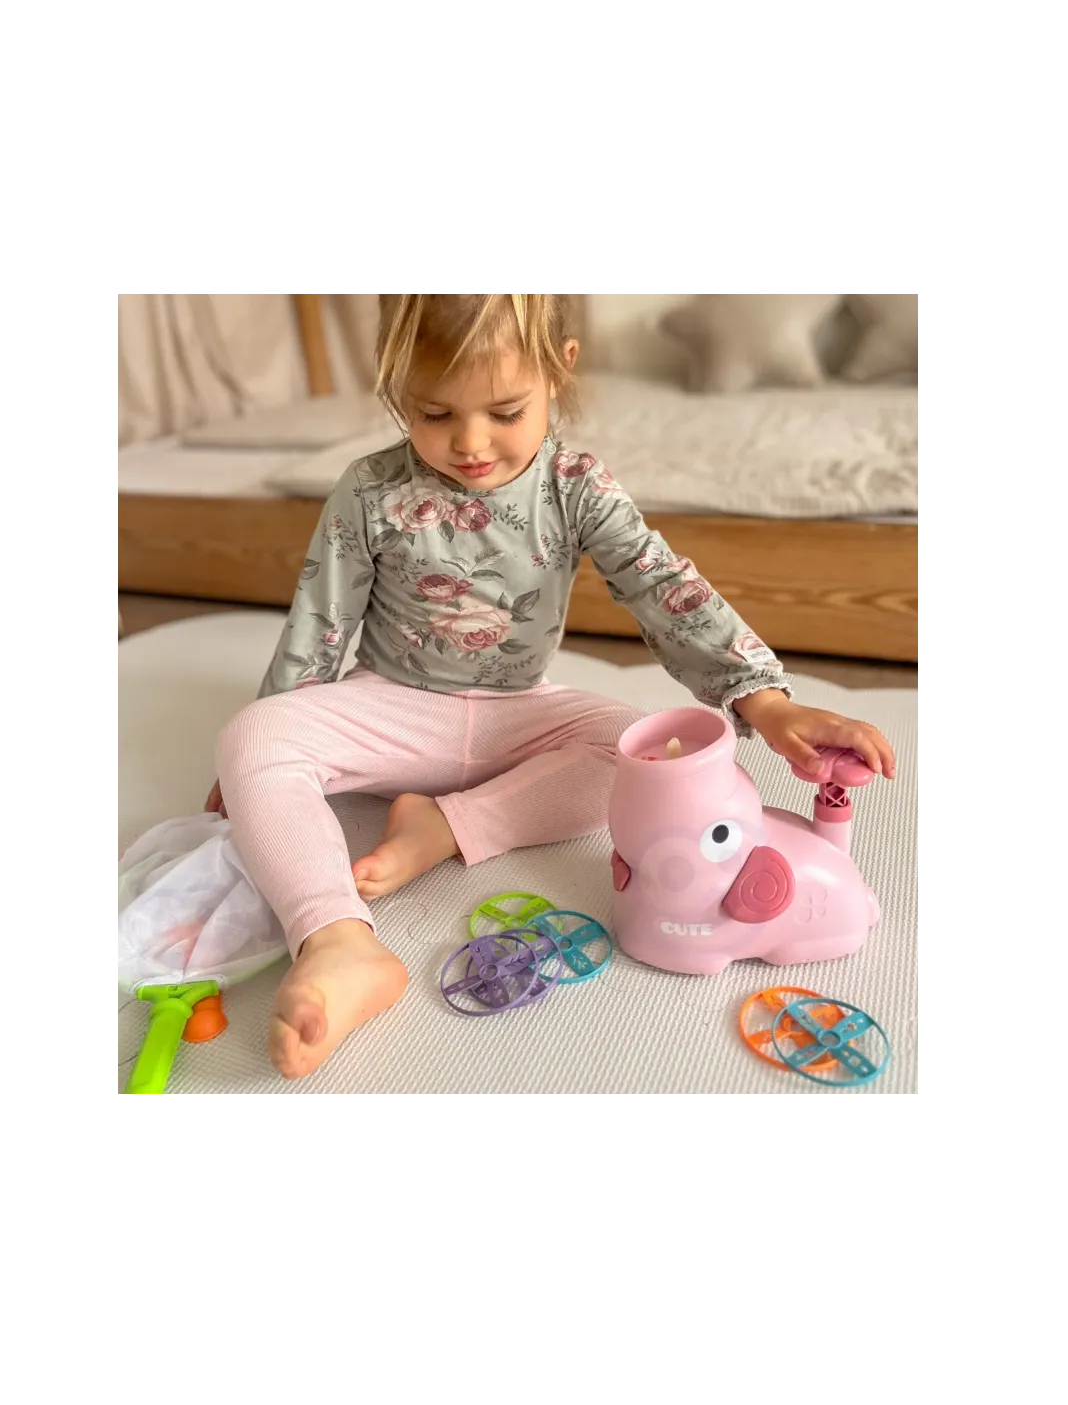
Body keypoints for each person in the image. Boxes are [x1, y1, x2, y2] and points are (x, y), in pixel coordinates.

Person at [209, 292, 896, 1080]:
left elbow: (662, 586)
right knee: (251, 734)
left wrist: (766, 701)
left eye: (505, 412)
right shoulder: (368, 489)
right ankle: (337, 941)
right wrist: (256, 756)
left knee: (637, 749)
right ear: (396, 387)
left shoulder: (576, 484)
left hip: (521, 715)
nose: (471, 443)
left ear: (558, 371)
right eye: (434, 413)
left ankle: (448, 826)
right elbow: (319, 622)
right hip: (392, 705)